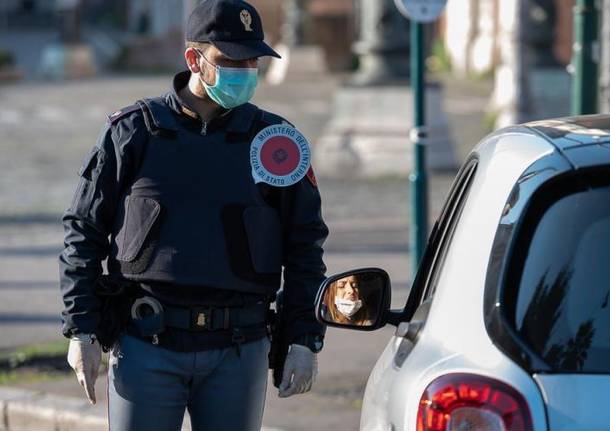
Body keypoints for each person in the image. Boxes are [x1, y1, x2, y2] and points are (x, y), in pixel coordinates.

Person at [58, 1, 328, 430]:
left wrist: (303, 339)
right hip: (148, 342)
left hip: (239, 350)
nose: (244, 69)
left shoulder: (277, 143)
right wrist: (82, 329)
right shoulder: (133, 133)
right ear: (194, 60)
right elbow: (83, 231)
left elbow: (304, 247)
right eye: (230, 59)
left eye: (252, 59)